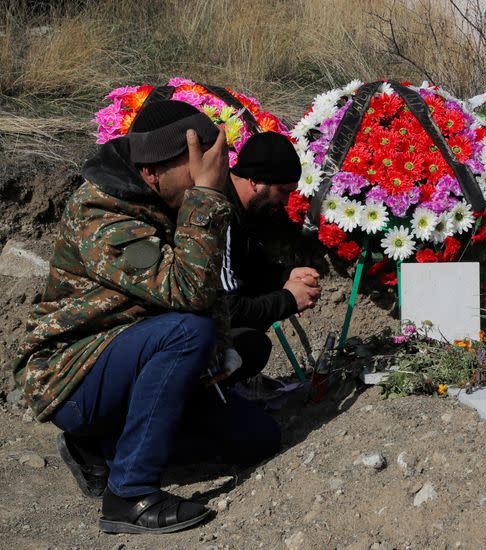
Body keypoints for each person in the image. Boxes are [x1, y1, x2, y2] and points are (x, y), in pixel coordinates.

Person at [12, 100, 281, 534]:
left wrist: (224, 345)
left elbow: (208, 283)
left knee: (258, 438)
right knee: (188, 331)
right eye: (192, 170)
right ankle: (129, 494)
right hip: (76, 374)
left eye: (207, 169)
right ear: (152, 171)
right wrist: (207, 198)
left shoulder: (173, 199)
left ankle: (105, 447)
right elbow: (186, 291)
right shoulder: (101, 212)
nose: (201, 179)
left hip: (145, 357)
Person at [220, 131, 321, 383]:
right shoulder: (219, 214)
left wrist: (286, 276)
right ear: (255, 181)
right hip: (187, 329)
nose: (286, 201)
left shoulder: (244, 209)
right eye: (282, 191)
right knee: (251, 346)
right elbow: (226, 308)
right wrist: (287, 300)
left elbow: (250, 270)